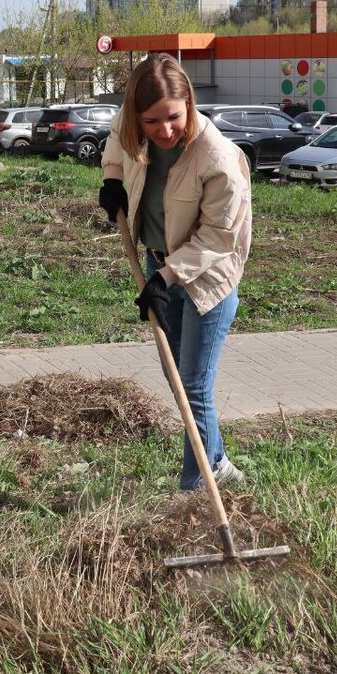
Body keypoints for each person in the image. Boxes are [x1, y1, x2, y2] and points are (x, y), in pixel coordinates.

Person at [97, 53, 252, 492]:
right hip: (157, 262)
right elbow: (116, 137)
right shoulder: (131, 131)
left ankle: (193, 489)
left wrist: (165, 279)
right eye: (151, 121)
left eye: (173, 118)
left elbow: (220, 238)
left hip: (208, 280)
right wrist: (112, 178)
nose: (164, 131)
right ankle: (216, 461)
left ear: (189, 103)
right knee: (177, 378)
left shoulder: (218, 158)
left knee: (194, 389)